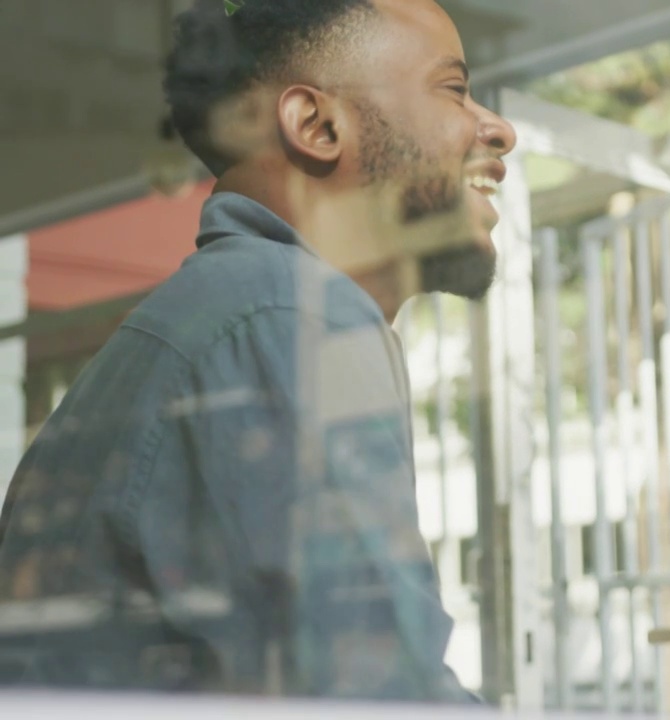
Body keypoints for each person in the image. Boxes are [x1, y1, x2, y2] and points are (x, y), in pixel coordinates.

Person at [0, 0, 515, 702]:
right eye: (453, 88)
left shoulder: (245, 310)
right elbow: (380, 699)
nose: (499, 128)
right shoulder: (284, 312)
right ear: (317, 125)